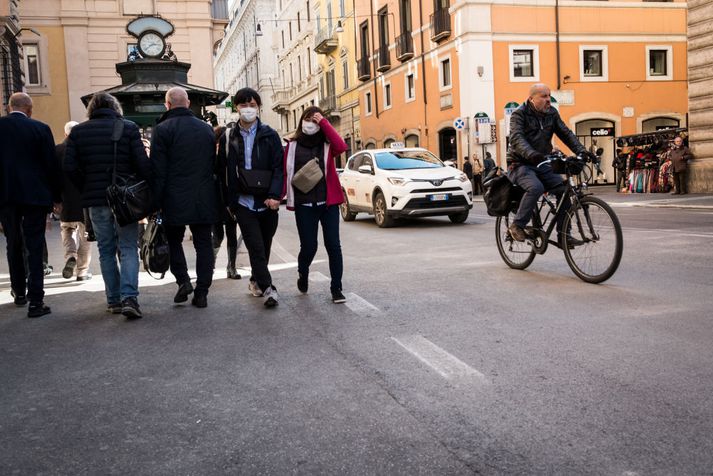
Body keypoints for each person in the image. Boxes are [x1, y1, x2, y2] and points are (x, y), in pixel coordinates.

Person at [64, 92, 150, 318]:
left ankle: (113, 300)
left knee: (106, 249)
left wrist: (87, 185)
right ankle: (129, 297)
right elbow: (142, 164)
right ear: (115, 108)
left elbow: (69, 167)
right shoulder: (129, 128)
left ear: (91, 109)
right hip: (124, 200)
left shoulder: (78, 133)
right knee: (129, 247)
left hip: (96, 199)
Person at [150, 87, 221, 308]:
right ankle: (202, 292)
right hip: (203, 195)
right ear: (188, 103)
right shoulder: (206, 129)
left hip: (174, 196)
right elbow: (212, 164)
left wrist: (155, 202)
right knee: (203, 244)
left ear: (167, 105)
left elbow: (158, 170)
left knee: (173, 241)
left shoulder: (162, 130)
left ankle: (182, 281)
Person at [216, 88, 284, 308]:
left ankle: (255, 279)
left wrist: (275, 196)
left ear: (258, 107)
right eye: (244, 105)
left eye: (253, 105)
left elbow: (278, 168)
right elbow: (220, 170)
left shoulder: (270, 134)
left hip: (267, 202)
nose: (249, 109)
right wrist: (229, 201)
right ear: (237, 107)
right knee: (255, 247)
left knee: (264, 247)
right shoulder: (228, 136)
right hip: (243, 203)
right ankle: (269, 289)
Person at [0, 92, 60, 317]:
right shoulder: (41, 129)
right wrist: (56, 198)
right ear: (30, 109)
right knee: (34, 245)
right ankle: (36, 300)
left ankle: (18, 291)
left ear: (9, 107)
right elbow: (50, 166)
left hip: (6, 196)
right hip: (35, 196)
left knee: (13, 242)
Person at [506, 83, 589, 244]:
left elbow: (566, 133)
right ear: (531, 98)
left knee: (564, 190)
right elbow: (516, 138)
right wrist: (531, 154)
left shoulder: (552, 113)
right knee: (536, 187)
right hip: (519, 163)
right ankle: (517, 225)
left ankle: (564, 235)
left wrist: (582, 151)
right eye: (543, 96)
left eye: (549, 96)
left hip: (542, 161)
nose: (548, 100)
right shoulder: (519, 114)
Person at [283, 106, 348, 303]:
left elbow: (342, 146)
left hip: (328, 204)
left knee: (333, 246)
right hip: (304, 205)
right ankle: (303, 273)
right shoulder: (292, 146)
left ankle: (336, 288)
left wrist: (324, 122)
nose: (311, 123)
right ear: (301, 121)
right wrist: (278, 195)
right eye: (308, 119)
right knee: (309, 247)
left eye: (315, 119)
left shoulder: (327, 145)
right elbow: (285, 173)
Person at [56, 121, 92, 281]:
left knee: (67, 230)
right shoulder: (85, 150)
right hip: (84, 200)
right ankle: (82, 271)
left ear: (65, 134)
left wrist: (55, 199)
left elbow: (51, 176)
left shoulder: (57, 150)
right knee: (85, 234)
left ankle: (71, 255)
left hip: (65, 200)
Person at [212, 125, 242, 280]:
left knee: (232, 234)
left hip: (229, 200)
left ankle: (232, 267)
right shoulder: (211, 157)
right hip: (215, 202)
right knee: (218, 235)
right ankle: (211, 264)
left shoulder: (230, 158)